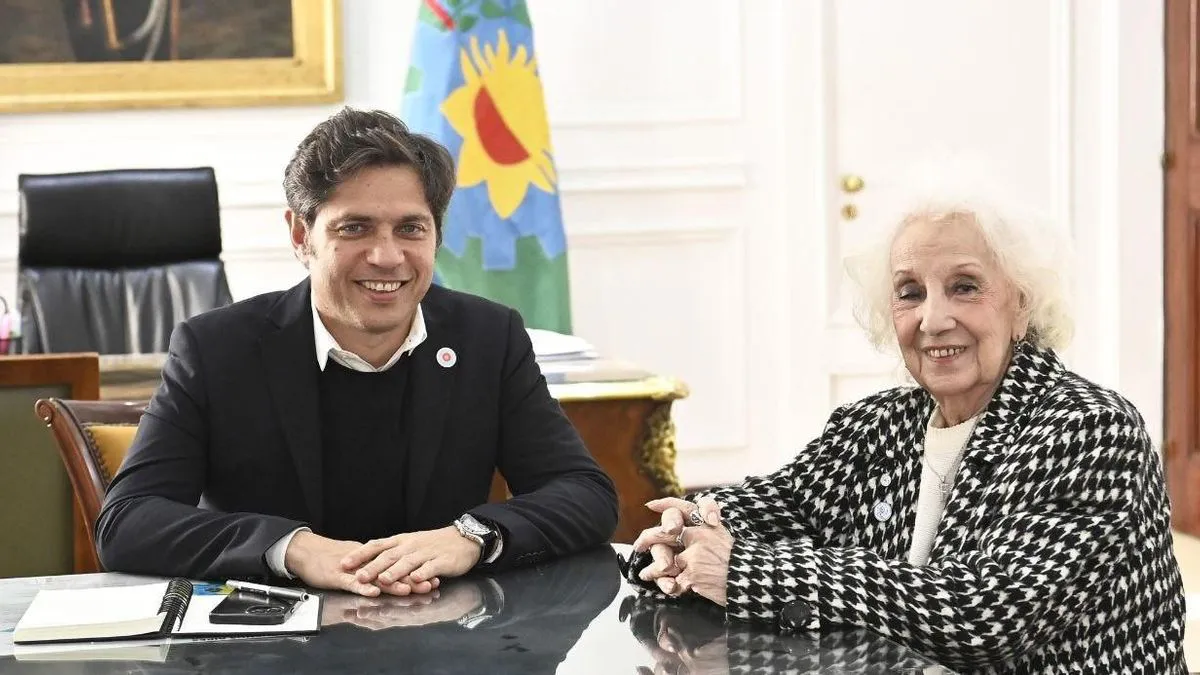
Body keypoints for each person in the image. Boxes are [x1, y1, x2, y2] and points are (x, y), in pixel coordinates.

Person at [627, 191, 1186, 673]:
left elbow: (985, 617)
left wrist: (748, 571)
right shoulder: (876, 424)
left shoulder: (1090, 429)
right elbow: (784, 505)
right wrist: (689, 530)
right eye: (910, 292)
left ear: (1022, 305)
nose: (933, 319)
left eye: (965, 287)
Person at [96, 107, 619, 597]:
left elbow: (584, 493)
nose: (387, 256)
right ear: (302, 235)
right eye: (355, 228)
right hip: (273, 648)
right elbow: (129, 520)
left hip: (444, 645)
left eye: (411, 229)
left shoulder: (487, 336)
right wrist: (293, 549)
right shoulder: (217, 349)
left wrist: (469, 537)